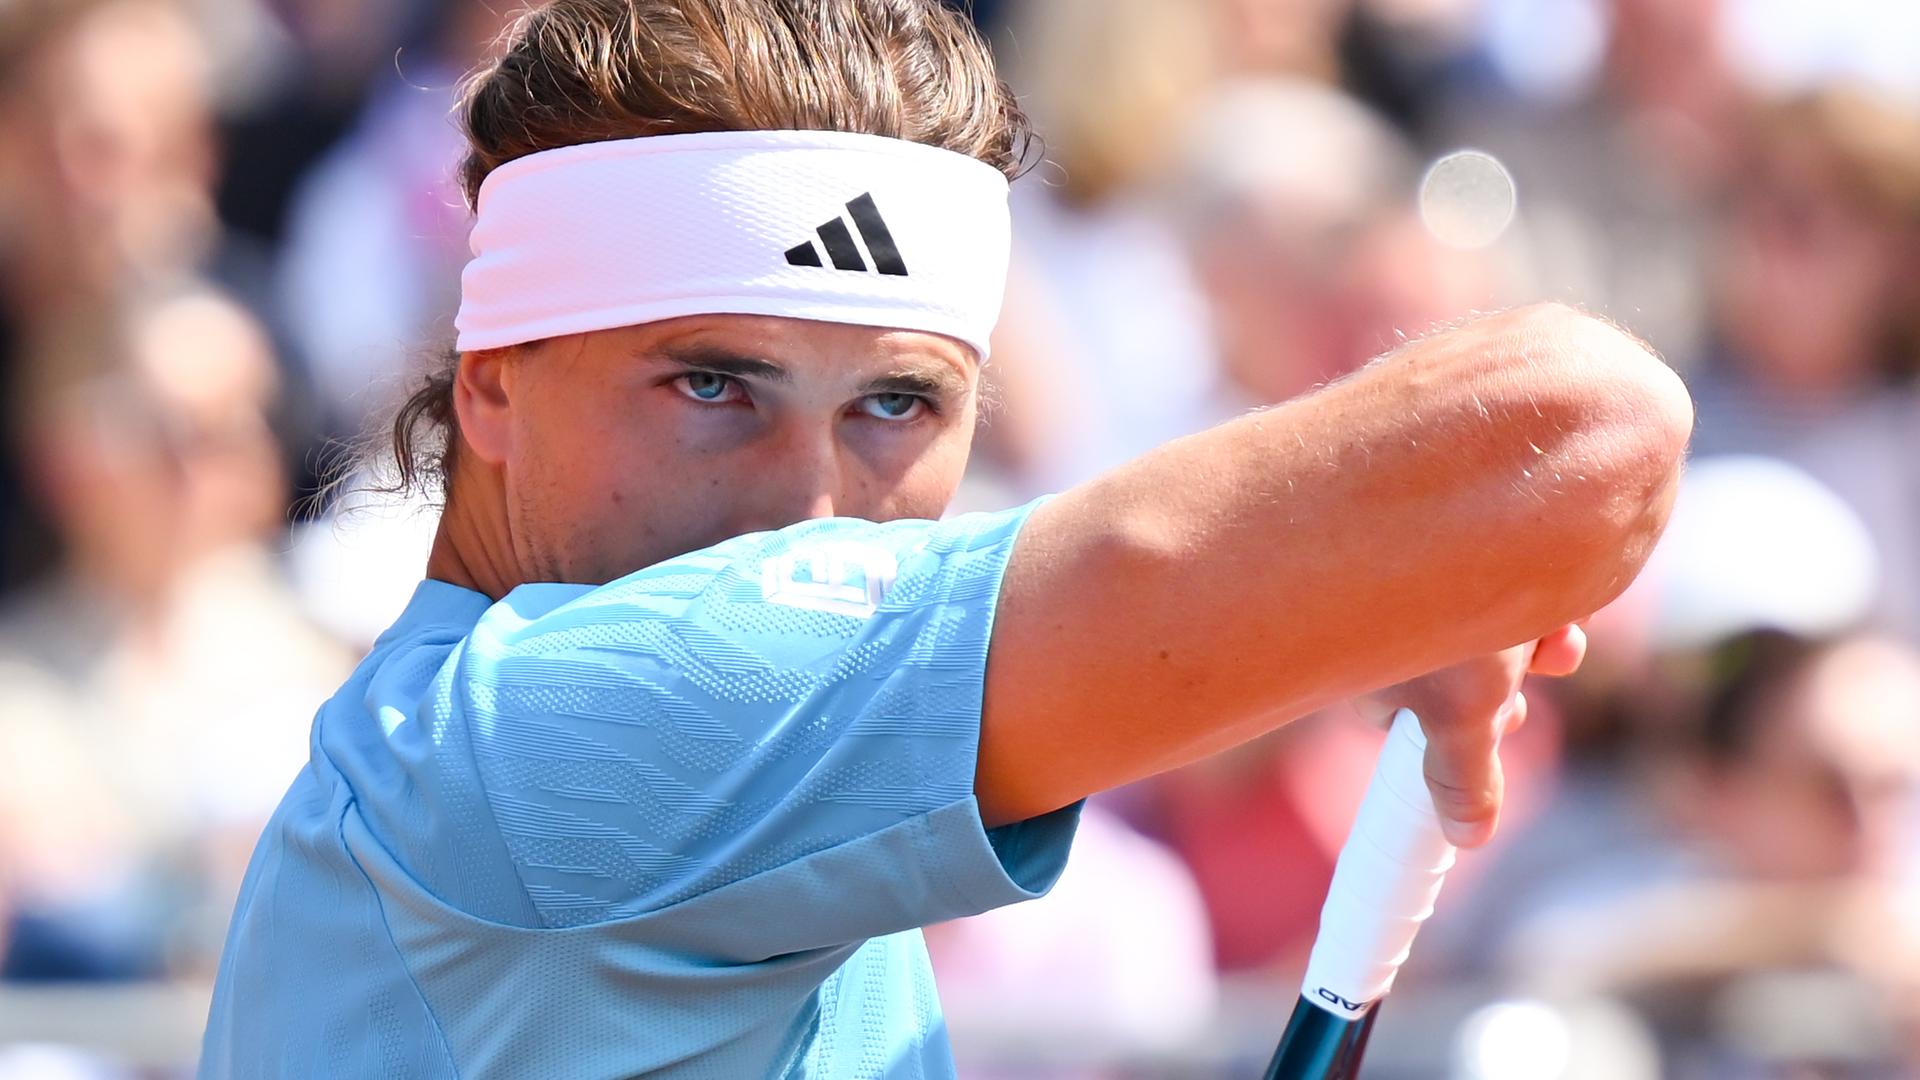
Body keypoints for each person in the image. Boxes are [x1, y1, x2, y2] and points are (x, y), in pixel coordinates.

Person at [197, 2, 1693, 1077]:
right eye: (712, 385)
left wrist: (1373, 578)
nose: (807, 499)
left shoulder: (634, 761)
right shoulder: (558, 725)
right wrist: (1382, 567)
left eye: (899, 405)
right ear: (493, 384)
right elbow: (1584, 426)